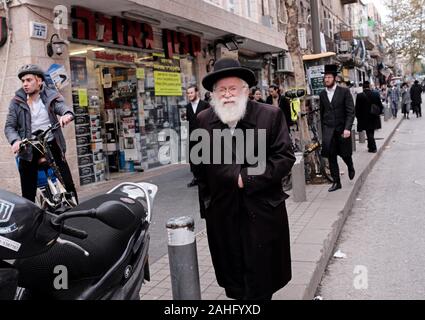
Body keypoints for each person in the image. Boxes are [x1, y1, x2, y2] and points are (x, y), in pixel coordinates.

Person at [196, 57, 295, 300]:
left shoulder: (270, 115)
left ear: (245, 91)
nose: (227, 95)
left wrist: (246, 178)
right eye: (221, 90)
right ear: (213, 94)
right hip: (223, 214)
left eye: (232, 89)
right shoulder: (202, 121)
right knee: (235, 281)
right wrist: (208, 206)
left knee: (262, 281)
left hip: (262, 212)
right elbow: (198, 168)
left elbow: (284, 157)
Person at [4, 64, 77, 203]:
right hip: (28, 147)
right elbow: (9, 126)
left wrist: (66, 115)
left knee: (68, 185)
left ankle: (75, 211)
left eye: (29, 80)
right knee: (28, 193)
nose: (25, 84)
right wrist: (15, 141)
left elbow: (61, 107)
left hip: (51, 144)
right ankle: (31, 220)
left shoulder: (50, 96)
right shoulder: (16, 102)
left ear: (39, 81)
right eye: (23, 81)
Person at [319, 64, 355, 192]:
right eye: (325, 77)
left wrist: (347, 128)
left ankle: (350, 166)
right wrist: (323, 131)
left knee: (345, 154)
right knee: (331, 156)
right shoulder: (322, 94)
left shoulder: (344, 91)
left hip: (342, 129)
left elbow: (351, 111)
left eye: (329, 77)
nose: (326, 79)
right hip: (328, 131)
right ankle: (336, 182)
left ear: (334, 78)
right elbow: (322, 114)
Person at [185, 85, 210, 187]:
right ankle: (196, 178)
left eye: (191, 92)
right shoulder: (187, 107)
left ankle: (207, 177)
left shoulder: (205, 105)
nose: (189, 95)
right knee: (194, 159)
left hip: (204, 136)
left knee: (205, 158)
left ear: (197, 92)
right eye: (188, 93)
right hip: (192, 136)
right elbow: (188, 121)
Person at [355, 81, 384, 153]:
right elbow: (380, 106)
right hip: (374, 116)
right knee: (371, 132)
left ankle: (373, 147)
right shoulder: (376, 94)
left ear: (363, 87)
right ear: (369, 86)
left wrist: (358, 117)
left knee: (369, 132)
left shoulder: (359, 95)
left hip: (364, 118)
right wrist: (379, 113)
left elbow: (357, 108)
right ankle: (370, 146)